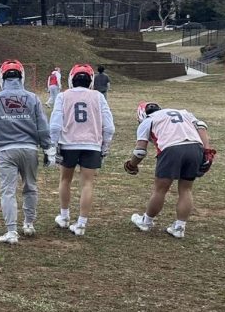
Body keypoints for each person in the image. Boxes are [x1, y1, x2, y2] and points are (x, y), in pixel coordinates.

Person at [0, 60, 53, 244]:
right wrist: (47, 147)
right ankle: (29, 223)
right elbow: (43, 127)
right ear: (22, 76)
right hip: (29, 149)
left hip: (6, 150)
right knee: (31, 187)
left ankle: (12, 231)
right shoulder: (33, 98)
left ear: (2, 77)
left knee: (8, 191)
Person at [126, 101, 214, 239]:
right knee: (186, 189)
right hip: (195, 147)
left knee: (160, 189)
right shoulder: (183, 112)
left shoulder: (148, 121)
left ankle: (146, 221)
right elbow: (201, 125)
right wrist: (207, 150)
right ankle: (179, 227)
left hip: (171, 149)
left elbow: (140, 152)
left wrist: (131, 164)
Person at [50, 64, 114, 237]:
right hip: (92, 145)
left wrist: (53, 146)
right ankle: (81, 224)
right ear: (90, 80)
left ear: (72, 79)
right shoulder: (99, 96)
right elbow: (109, 127)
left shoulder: (63, 96)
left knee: (65, 180)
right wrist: (104, 146)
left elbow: (55, 125)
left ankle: (64, 216)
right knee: (87, 183)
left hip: (68, 144)